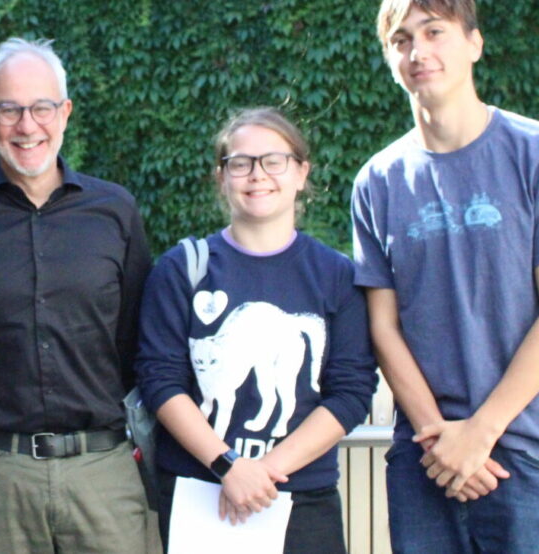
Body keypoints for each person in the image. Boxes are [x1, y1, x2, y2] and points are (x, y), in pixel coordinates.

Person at [351, 0, 539, 553]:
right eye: (401, 39)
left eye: (435, 31)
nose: (419, 51)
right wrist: (439, 440)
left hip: (526, 453)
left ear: (474, 43)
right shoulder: (377, 181)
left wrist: (480, 435)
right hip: (426, 459)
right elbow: (383, 326)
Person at [0, 37, 153, 553]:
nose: (27, 125)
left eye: (41, 107)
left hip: (103, 475)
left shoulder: (116, 213)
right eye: (10, 109)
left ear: (64, 112)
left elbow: (137, 340)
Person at [137, 108, 377, 553]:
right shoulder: (181, 269)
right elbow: (160, 380)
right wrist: (228, 466)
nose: (257, 175)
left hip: (302, 499)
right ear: (221, 177)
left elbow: (350, 392)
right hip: (198, 495)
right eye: (240, 163)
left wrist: (260, 472)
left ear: (302, 173)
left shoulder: (336, 276)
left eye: (274, 161)